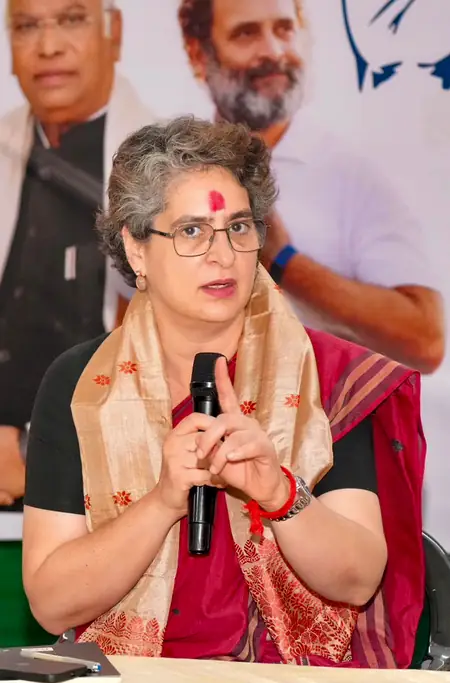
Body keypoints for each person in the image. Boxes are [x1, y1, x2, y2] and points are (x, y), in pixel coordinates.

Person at [23, 117, 425, 668]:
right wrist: (162, 503)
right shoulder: (83, 384)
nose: (223, 254)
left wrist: (279, 493)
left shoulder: (323, 376)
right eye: (192, 231)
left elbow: (357, 581)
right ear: (136, 250)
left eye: (239, 227)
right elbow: (52, 605)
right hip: (132, 672)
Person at [177, 0, 445, 374]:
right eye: (246, 33)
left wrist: (283, 261)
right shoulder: (171, 174)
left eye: (284, 29)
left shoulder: (353, 174)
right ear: (198, 53)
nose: (274, 51)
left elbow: (426, 341)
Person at [0, 0, 153, 507]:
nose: (48, 47)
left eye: (71, 20)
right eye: (27, 26)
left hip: (120, 477)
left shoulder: (173, 170)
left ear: (115, 32)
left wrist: (38, 452)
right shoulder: (5, 145)